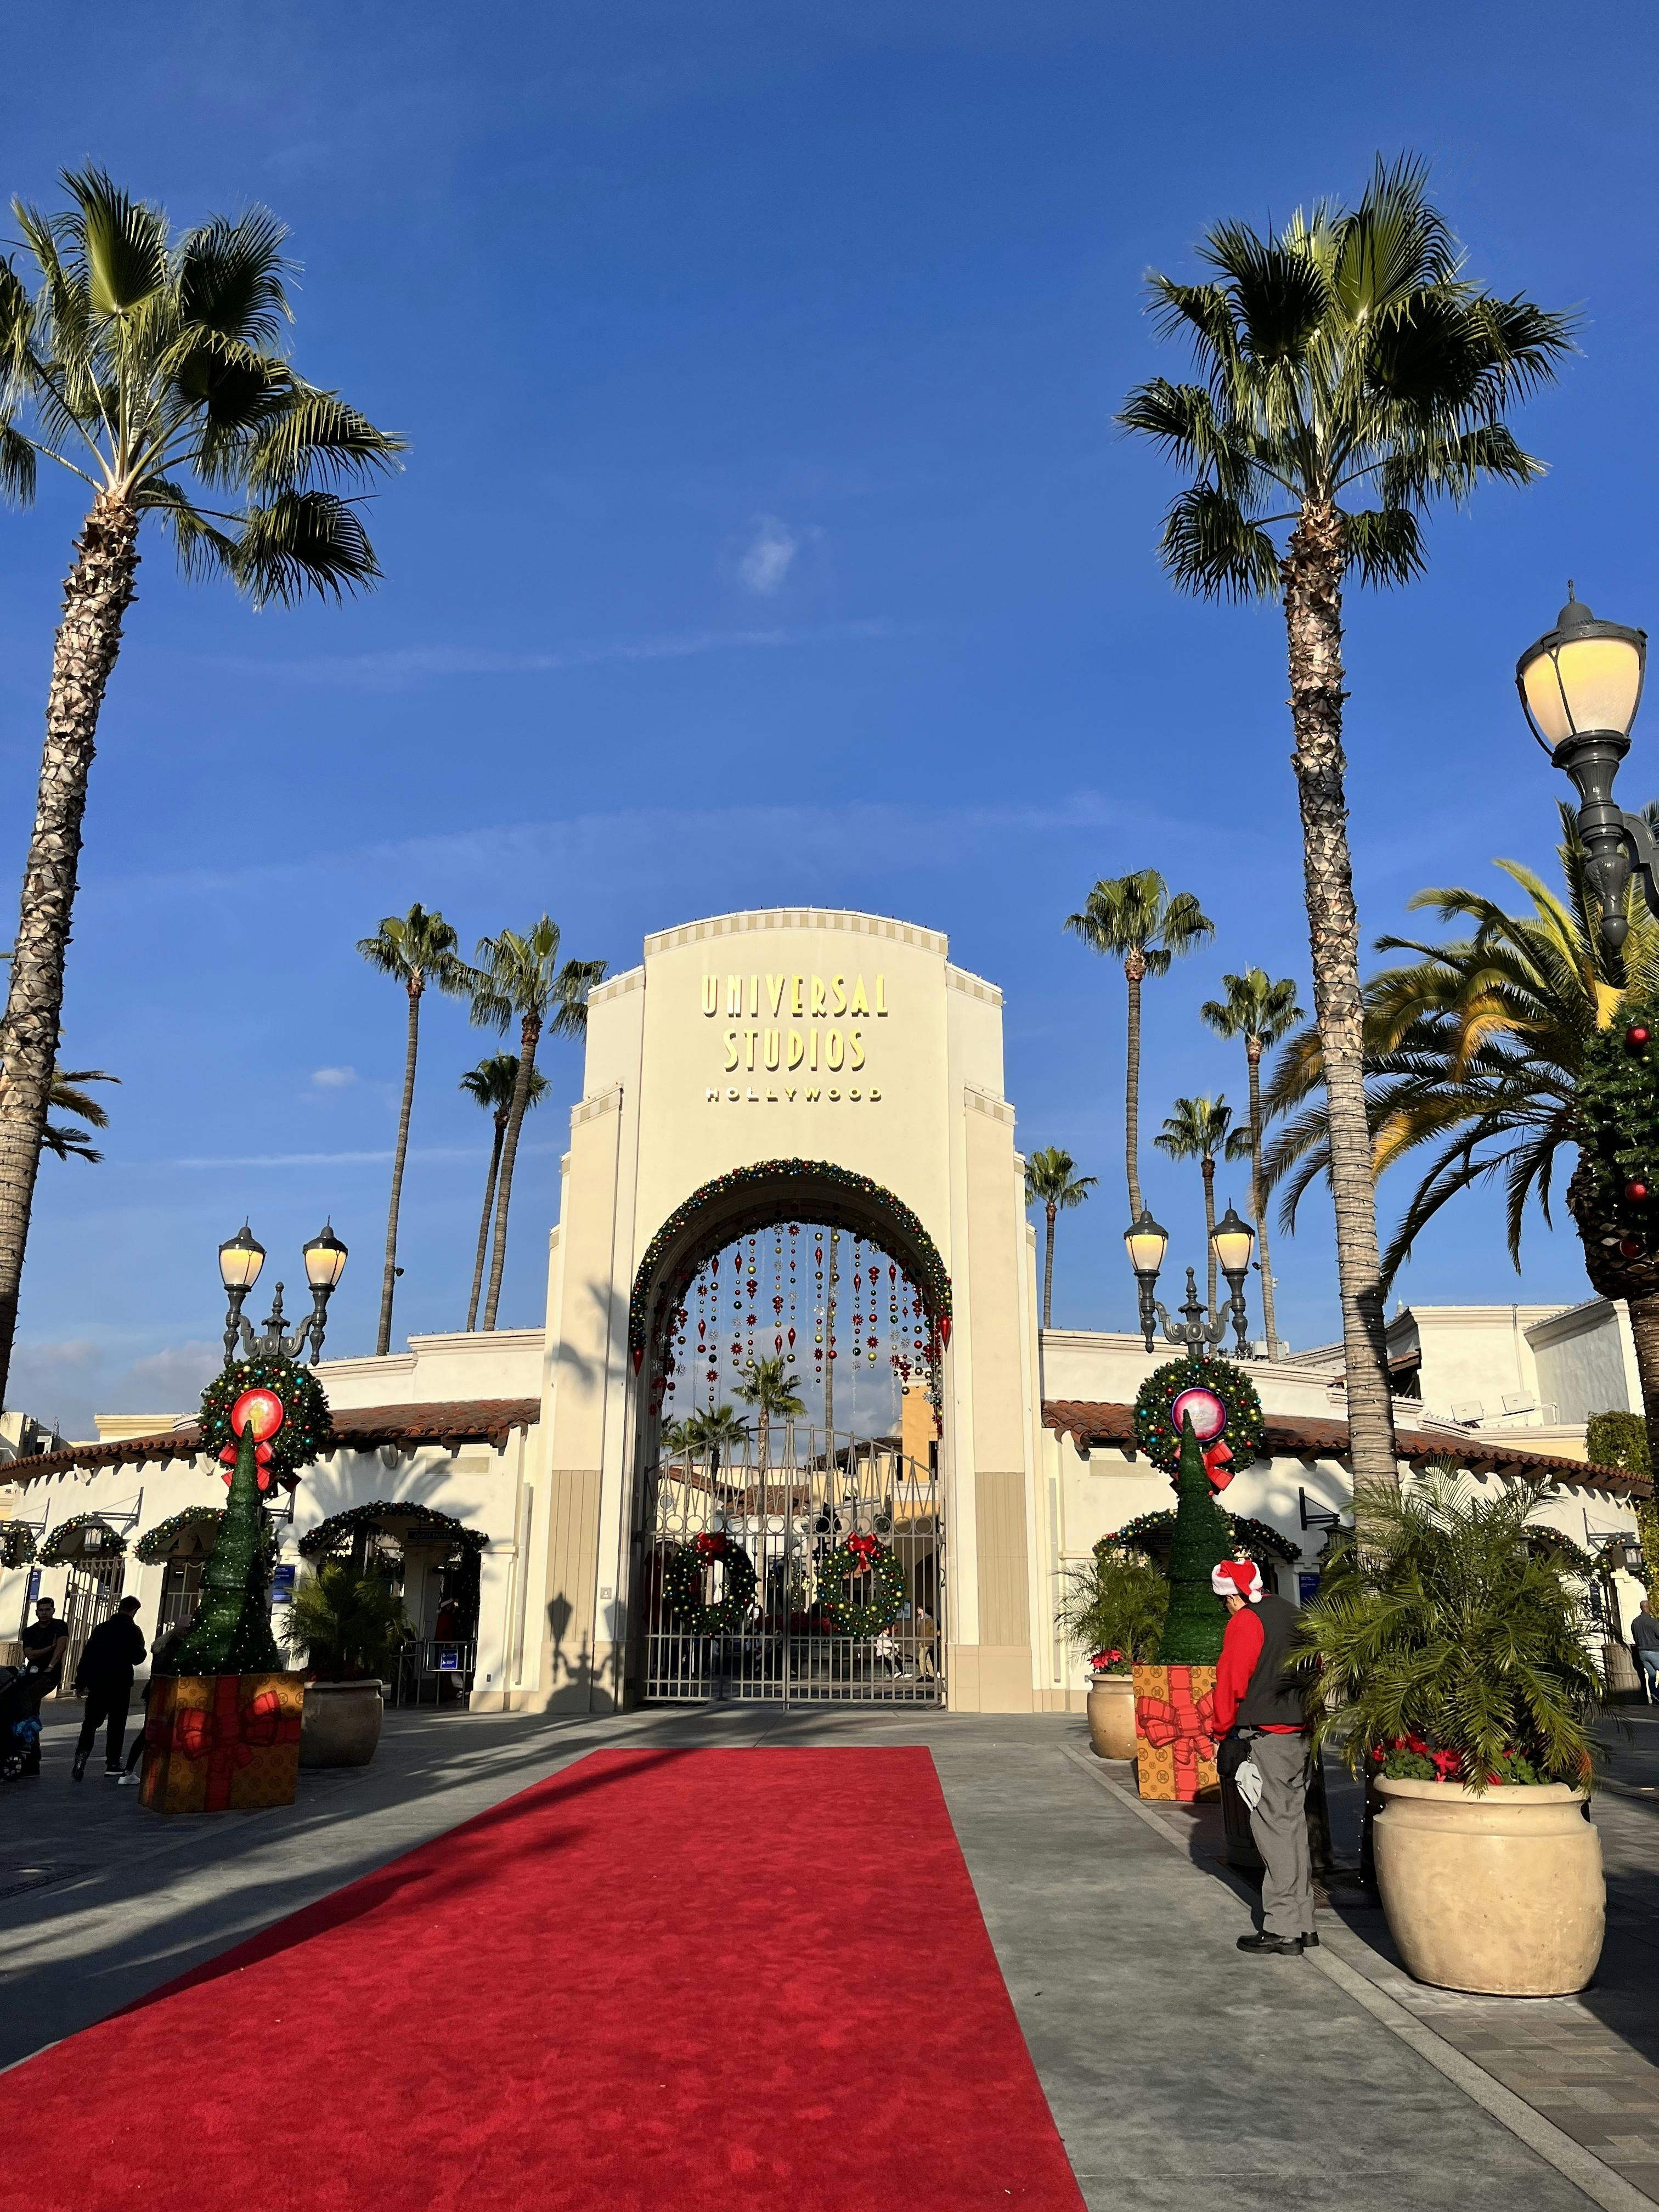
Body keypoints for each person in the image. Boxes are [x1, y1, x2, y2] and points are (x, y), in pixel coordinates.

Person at [1210, 1559, 1314, 1959]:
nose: (1226, 1608)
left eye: (1225, 1601)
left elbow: (1231, 1680)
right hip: (1301, 1730)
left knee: (1274, 1828)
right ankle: (1303, 1923)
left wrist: (1221, 1732)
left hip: (1267, 1736)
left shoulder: (1246, 1621)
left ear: (1234, 1596)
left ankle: (1283, 1928)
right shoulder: (1294, 1613)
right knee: (1293, 1826)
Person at [72, 1595, 146, 1781]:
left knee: (90, 1724)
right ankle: (112, 1764)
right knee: (117, 1725)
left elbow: (87, 1656)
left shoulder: (101, 1629)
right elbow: (138, 1657)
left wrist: (81, 1683)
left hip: (98, 1684)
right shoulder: (133, 1630)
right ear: (134, 1611)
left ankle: (81, 1759)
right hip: (120, 1685)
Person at [15, 1596, 68, 1776]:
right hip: (31, 1676)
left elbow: (61, 1648)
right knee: (29, 1713)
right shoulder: (30, 1631)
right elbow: (30, 1654)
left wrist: (51, 1666)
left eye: (48, 1610)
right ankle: (31, 1762)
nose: (44, 1613)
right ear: (37, 1612)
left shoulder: (60, 1626)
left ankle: (31, 1761)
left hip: (48, 1676)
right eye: (41, 1610)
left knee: (26, 1706)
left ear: (53, 1611)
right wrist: (49, 1648)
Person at [1632, 1595, 1659, 1703]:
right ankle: (1657, 1693)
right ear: (1649, 1608)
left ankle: (1654, 1695)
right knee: (1653, 1674)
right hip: (1654, 1651)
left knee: (1652, 1674)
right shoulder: (1653, 1622)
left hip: (1642, 1653)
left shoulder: (1635, 1622)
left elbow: (1635, 1636)